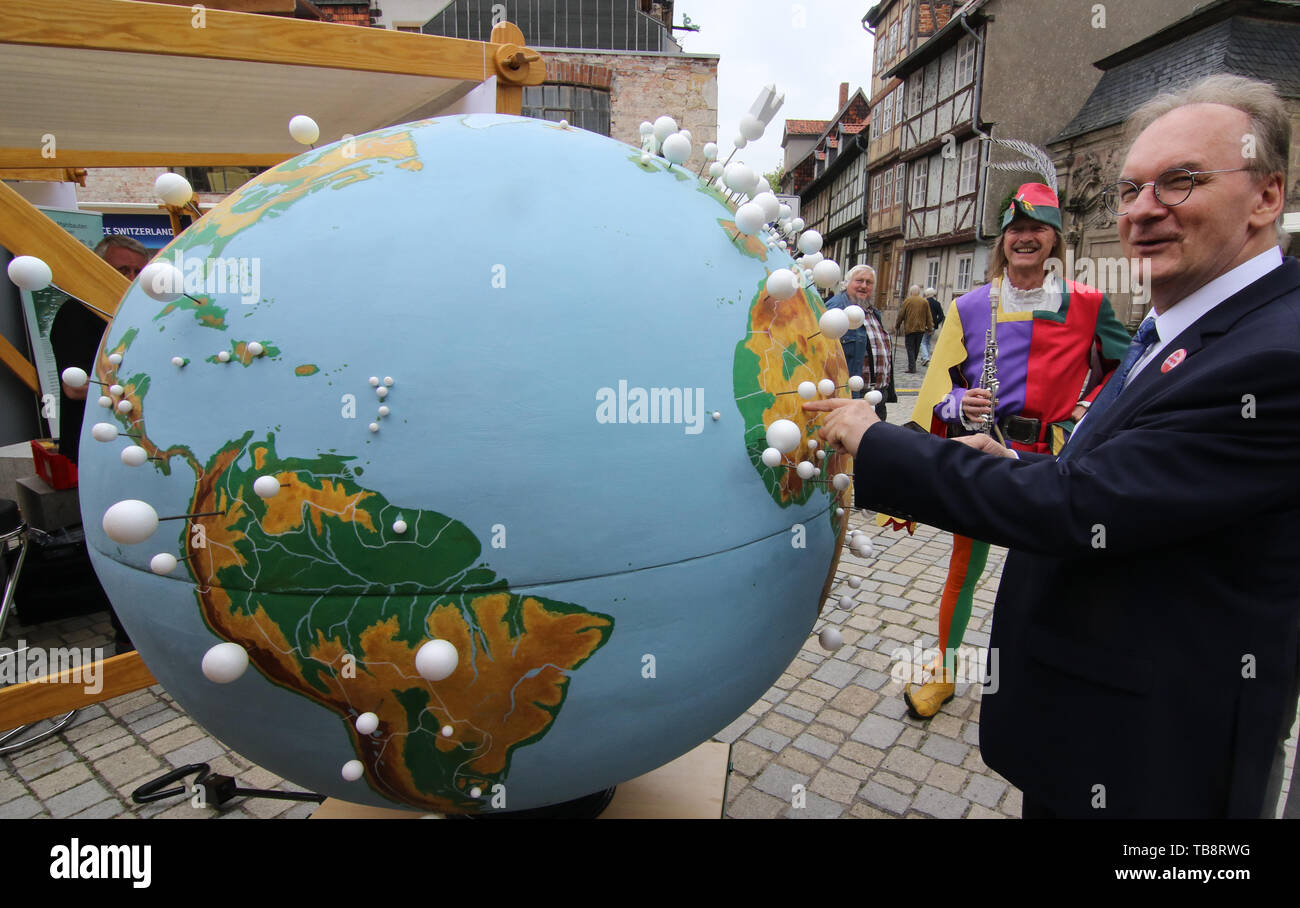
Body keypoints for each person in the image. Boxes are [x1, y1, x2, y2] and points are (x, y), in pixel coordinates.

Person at [806, 74, 1299, 818]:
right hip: (1091, 707)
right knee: (957, 584)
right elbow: (958, 386)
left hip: (1160, 764)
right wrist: (982, 436)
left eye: (1180, 183)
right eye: (1130, 190)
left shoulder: (1271, 353)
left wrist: (880, 445)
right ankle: (941, 664)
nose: (1141, 211)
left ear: (1267, 197)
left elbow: (1088, 504)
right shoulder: (1006, 307)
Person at [892, 182, 1131, 719]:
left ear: (1054, 239)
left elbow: (1124, 366)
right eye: (1015, 230)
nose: (1025, 239)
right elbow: (940, 385)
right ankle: (945, 670)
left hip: (1054, 458)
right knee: (962, 569)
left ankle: (1051, 674)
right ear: (1003, 241)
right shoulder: (970, 306)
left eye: (1036, 229)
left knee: (1054, 572)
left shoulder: (1090, 303)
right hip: (985, 448)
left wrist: (1090, 405)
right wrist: (958, 404)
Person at [52, 234, 149, 654]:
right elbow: (76, 388)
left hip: (134, 444)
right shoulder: (77, 314)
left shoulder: (140, 315)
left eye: (136, 271)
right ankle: (125, 634)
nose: (129, 279)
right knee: (117, 534)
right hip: (101, 446)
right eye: (120, 270)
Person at [825, 265, 895, 419]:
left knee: (874, 442)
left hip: (877, 397)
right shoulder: (836, 309)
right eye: (859, 281)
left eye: (869, 282)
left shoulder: (873, 312)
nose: (864, 286)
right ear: (847, 283)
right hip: (852, 397)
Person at [895, 284, 932, 372]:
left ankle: (912, 367)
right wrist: (930, 328)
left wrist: (897, 325)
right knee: (916, 348)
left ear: (911, 292)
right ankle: (912, 365)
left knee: (910, 348)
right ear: (919, 292)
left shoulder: (907, 301)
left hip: (910, 328)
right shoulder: (924, 302)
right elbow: (929, 316)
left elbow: (901, 314)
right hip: (920, 329)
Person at [917, 287, 944, 365]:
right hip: (933, 326)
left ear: (927, 294)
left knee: (923, 342)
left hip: (924, 325)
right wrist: (935, 323)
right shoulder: (937, 303)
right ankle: (927, 358)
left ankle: (925, 358)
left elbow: (920, 314)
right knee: (928, 342)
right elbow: (941, 316)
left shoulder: (924, 302)